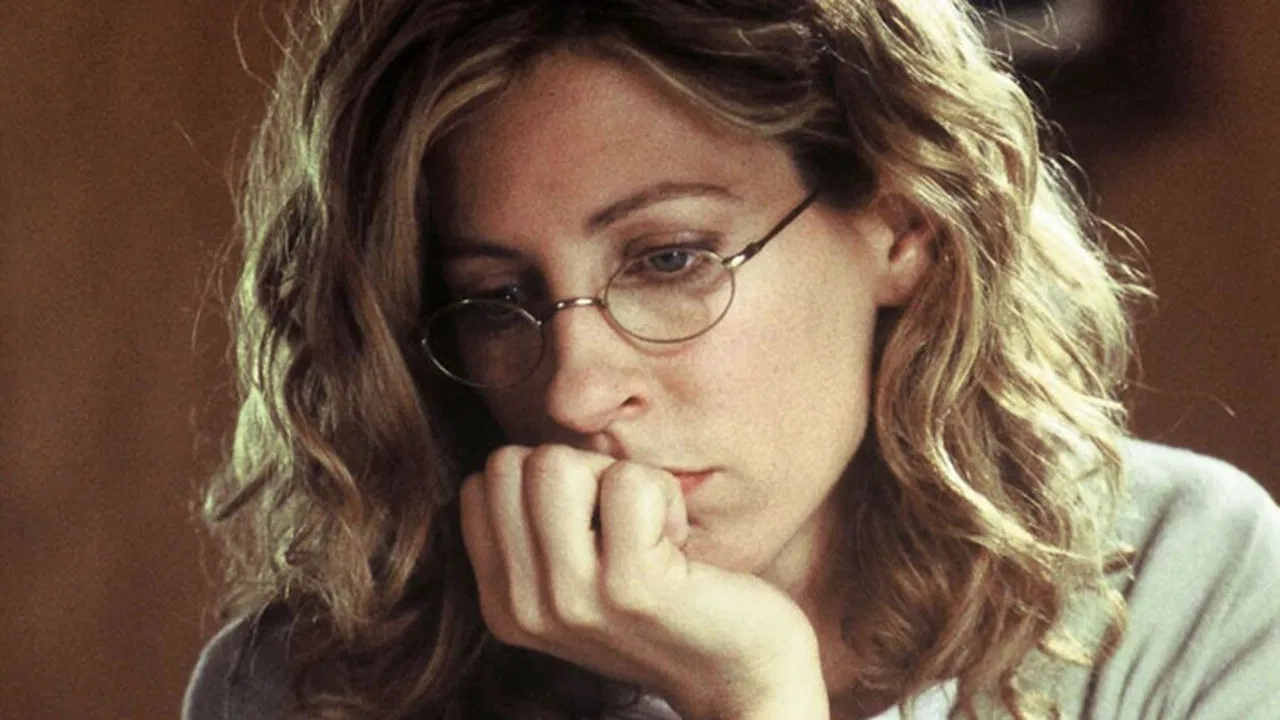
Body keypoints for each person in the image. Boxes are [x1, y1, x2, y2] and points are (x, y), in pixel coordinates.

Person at [183, 1, 1280, 718]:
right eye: (497, 301)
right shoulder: (311, 686)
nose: (574, 389)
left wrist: (754, 693)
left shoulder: (1188, 584)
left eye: (668, 259)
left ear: (902, 221)